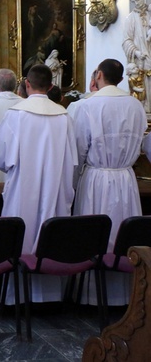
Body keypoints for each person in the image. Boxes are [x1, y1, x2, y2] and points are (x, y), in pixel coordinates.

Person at [0, 64, 77, 304]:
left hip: (22, 187)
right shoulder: (64, 115)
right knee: (52, 235)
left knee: (22, 233)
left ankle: (18, 298)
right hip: (56, 189)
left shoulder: (16, 114)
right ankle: (51, 297)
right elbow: (74, 159)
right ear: (50, 87)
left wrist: (13, 168)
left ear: (26, 84)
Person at [74, 59, 146, 305]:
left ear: (99, 75)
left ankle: (92, 297)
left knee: (97, 234)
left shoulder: (88, 106)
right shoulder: (135, 105)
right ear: (121, 78)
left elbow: (79, 149)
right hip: (125, 179)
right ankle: (125, 297)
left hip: (97, 178)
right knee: (125, 235)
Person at [122, 0, 151, 112]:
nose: (136, 3)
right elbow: (126, 41)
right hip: (141, 57)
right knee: (143, 82)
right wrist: (136, 52)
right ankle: (146, 109)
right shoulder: (130, 18)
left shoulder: (150, 14)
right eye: (134, 1)